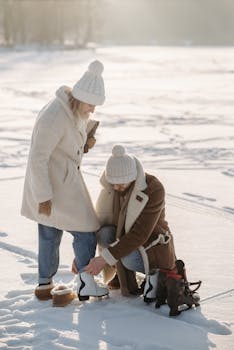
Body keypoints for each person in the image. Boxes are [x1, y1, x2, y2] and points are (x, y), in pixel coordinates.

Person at [21, 60, 108, 302]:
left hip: (62, 180)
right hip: (52, 186)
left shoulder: (74, 108)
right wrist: (43, 197)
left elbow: (67, 141)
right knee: (86, 230)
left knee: (50, 232)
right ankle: (85, 281)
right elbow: (38, 157)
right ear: (81, 97)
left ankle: (44, 284)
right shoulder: (55, 115)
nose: (92, 110)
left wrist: (85, 142)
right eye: (91, 104)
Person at [85, 145, 177, 301]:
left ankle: (154, 277)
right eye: (113, 183)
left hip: (150, 245)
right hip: (126, 240)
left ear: (133, 177)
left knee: (128, 258)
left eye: (121, 183)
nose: (116, 187)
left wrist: (104, 259)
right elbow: (97, 221)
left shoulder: (153, 189)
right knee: (104, 233)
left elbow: (139, 235)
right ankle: (121, 276)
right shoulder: (113, 189)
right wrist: (84, 255)